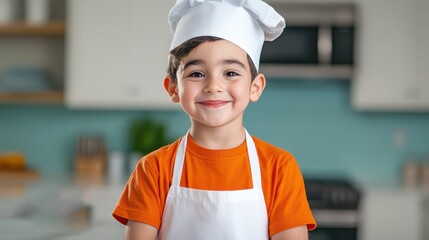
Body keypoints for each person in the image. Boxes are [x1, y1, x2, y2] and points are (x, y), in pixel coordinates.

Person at [112, 0, 316, 239]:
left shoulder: (279, 168)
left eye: (230, 73)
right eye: (197, 74)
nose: (213, 86)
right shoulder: (153, 170)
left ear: (255, 87)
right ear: (173, 88)